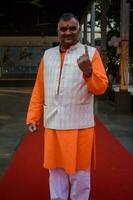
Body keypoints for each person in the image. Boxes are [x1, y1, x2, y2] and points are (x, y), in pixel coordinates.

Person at [26, 12, 108, 200]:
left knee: (80, 174)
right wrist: (33, 116)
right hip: (54, 124)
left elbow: (101, 88)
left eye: (72, 28)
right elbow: (39, 88)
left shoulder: (91, 54)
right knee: (55, 171)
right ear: (57, 31)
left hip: (80, 125)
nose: (68, 32)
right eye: (63, 29)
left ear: (79, 30)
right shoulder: (48, 55)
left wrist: (88, 72)